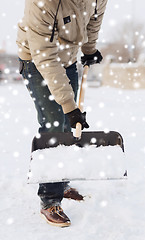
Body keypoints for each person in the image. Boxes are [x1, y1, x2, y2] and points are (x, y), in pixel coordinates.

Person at [16, 0, 108, 227]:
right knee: (54, 127)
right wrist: (69, 106)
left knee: (68, 128)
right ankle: (49, 200)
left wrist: (89, 49)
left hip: (67, 59)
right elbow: (45, 57)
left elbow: (93, 21)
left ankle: (60, 181)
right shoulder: (42, 3)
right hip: (37, 61)